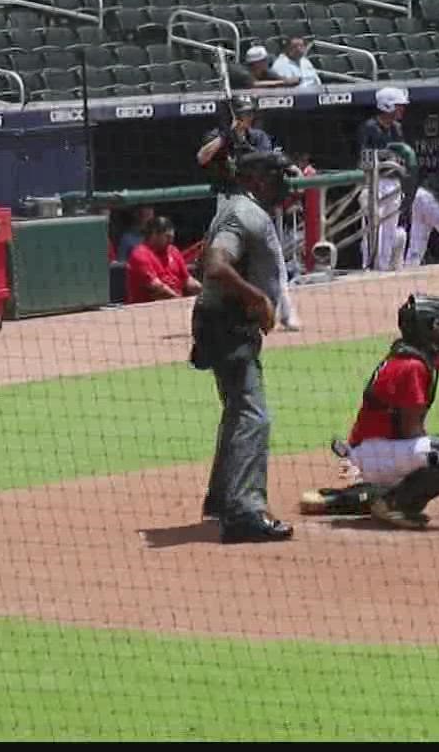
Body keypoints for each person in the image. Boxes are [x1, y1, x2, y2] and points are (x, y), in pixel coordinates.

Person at [297, 294, 439, 529]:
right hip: (377, 452)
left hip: (370, 449)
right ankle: (395, 505)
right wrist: (429, 459)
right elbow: (412, 429)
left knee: (426, 458)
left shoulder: (410, 354)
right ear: (426, 327)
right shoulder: (413, 367)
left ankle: (340, 499)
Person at [190, 150, 297, 544]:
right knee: (254, 415)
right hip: (228, 325)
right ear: (254, 179)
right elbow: (216, 265)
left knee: (238, 410)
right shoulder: (242, 214)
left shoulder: (243, 208)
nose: (283, 183)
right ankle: (244, 512)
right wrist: (258, 299)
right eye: (274, 175)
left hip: (226, 324)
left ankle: (222, 498)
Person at [196, 98, 300, 331]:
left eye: (249, 113)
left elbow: (265, 159)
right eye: (242, 113)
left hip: (255, 203)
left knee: (272, 257)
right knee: (222, 259)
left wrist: (243, 145)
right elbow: (202, 158)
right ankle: (218, 311)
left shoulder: (258, 137)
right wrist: (226, 136)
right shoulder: (217, 135)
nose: (247, 118)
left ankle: (286, 311)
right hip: (226, 200)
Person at [361, 87, 411, 271]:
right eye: (399, 106)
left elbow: (402, 151)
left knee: (391, 225)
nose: (402, 110)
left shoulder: (397, 128)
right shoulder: (370, 127)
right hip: (375, 182)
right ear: (387, 105)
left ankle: (384, 266)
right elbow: (364, 155)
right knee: (375, 226)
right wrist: (385, 156)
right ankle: (369, 265)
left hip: (393, 181)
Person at [125, 216, 200, 304]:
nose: (171, 241)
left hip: (175, 303)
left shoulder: (173, 250)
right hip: (147, 307)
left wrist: (204, 293)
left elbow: (187, 280)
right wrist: (180, 301)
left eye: (172, 237)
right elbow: (157, 288)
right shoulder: (140, 254)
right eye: (167, 237)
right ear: (154, 234)